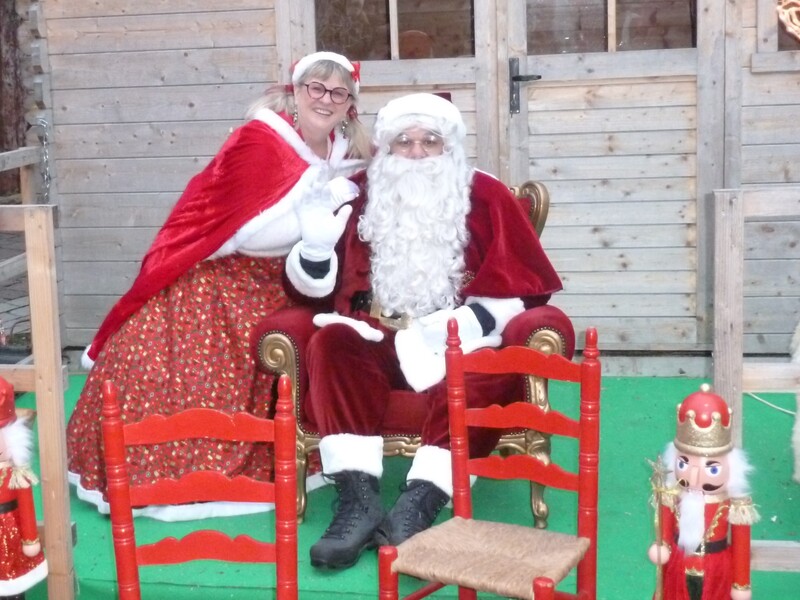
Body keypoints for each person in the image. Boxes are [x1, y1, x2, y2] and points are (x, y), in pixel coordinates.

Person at [65, 51, 371, 520]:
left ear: (350, 104)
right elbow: (244, 231)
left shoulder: (340, 155)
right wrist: (315, 213)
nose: (325, 99)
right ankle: (178, 479)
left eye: (338, 92)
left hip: (282, 282)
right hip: (220, 277)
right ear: (296, 90)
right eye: (316, 87)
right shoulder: (259, 141)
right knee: (177, 368)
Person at [283, 92, 563, 569]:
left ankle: (420, 501)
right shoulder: (354, 195)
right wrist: (313, 247)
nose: (415, 153)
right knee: (331, 341)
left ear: (449, 147)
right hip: (377, 335)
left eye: (429, 142)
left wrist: (469, 325)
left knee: (488, 370)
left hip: (458, 340)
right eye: (403, 142)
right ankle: (357, 500)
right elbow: (309, 297)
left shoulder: (486, 196)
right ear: (386, 151)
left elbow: (529, 283)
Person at [647, 384, 760, 600]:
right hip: (678, 566)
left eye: (712, 468)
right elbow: (665, 529)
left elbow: (741, 546)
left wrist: (741, 584)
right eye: (685, 463)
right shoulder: (671, 494)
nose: (696, 475)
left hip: (717, 568)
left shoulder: (736, 505)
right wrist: (661, 546)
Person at [0, 378, 47, 599]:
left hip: (9, 532)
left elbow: (26, 506)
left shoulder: (17, 473)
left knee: (12, 583)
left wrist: (31, 538)